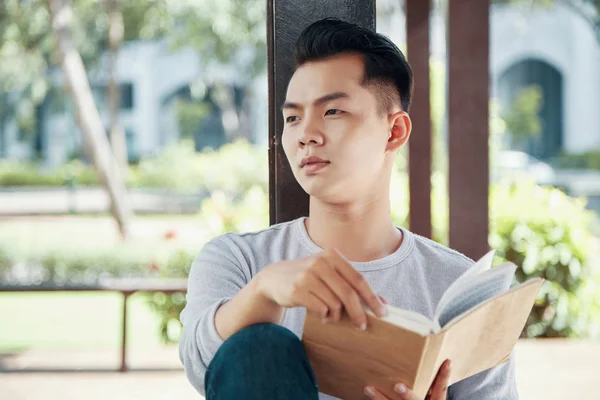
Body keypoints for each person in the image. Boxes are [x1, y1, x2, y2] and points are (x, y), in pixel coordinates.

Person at [179, 18, 518, 400]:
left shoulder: (456, 286)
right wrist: (264, 291)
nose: (305, 133)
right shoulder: (239, 261)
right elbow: (200, 365)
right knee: (259, 347)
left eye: (332, 112)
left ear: (395, 132)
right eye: (292, 117)